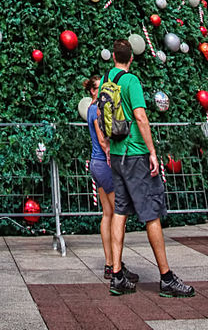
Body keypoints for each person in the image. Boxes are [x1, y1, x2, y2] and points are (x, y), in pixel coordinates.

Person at [105, 39, 195, 299]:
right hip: (135, 154)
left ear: (113, 57)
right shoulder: (131, 81)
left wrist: (110, 148)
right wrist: (152, 151)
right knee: (151, 212)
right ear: (130, 58)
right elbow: (141, 117)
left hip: (118, 156)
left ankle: (117, 273)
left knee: (120, 211)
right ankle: (166, 277)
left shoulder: (105, 81)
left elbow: (101, 115)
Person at [82, 77, 136, 283]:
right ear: (94, 91)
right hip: (103, 164)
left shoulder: (90, 109)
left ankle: (110, 263)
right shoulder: (96, 109)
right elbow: (103, 137)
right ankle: (116, 267)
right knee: (118, 215)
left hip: (96, 165)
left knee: (108, 214)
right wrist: (111, 155)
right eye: (100, 87)